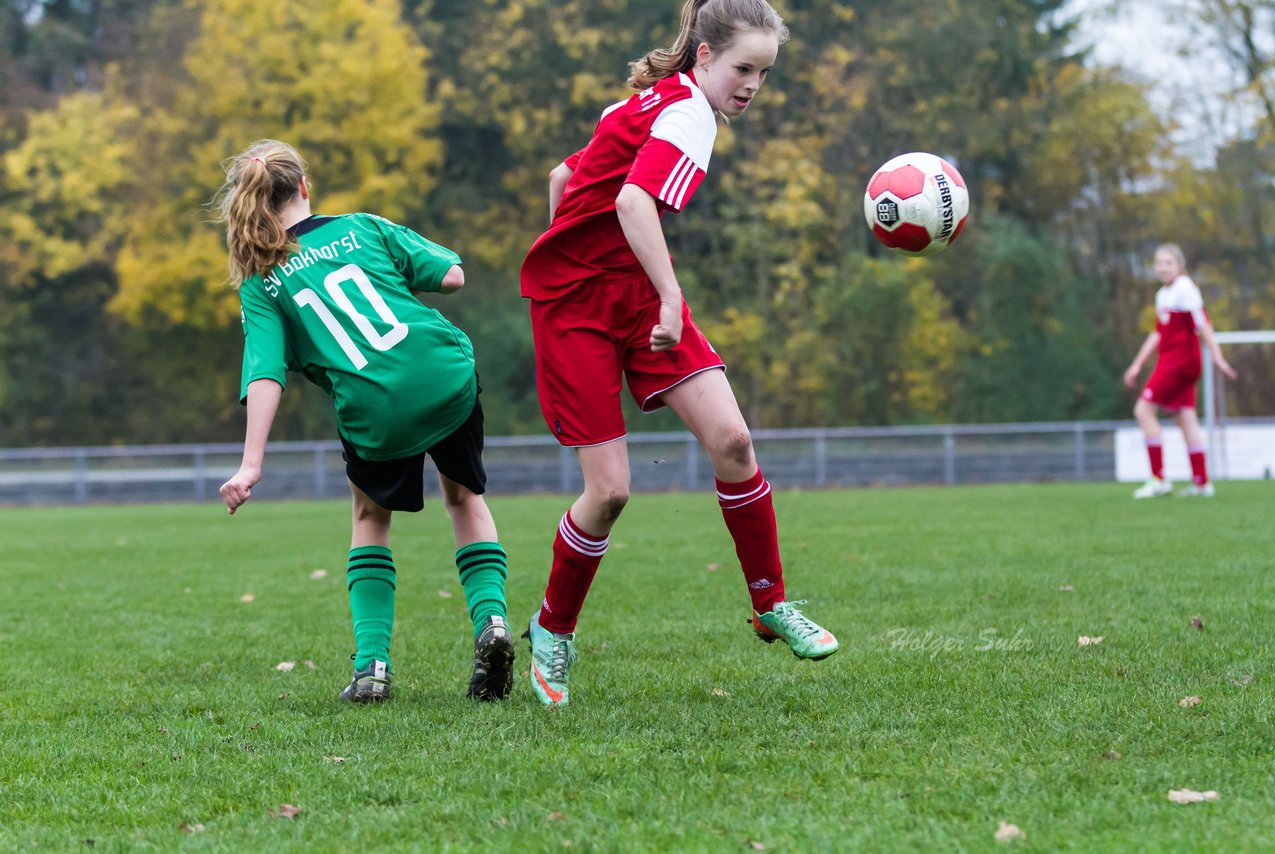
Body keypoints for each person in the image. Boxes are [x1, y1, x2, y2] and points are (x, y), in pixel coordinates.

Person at [518, 0, 838, 707]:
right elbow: (633, 204)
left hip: (630, 289)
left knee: (734, 442)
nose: (752, 84)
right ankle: (551, 630)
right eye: (743, 68)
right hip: (579, 309)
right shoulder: (687, 114)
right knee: (610, 492)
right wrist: (662, 293)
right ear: (703, 57)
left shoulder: (636, 104)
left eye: (764, 72)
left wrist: (588, 250)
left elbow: (563, 178)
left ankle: (770, 603)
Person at [216, 140, 514, 702]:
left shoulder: (262, 282)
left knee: (370, 518)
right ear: (304, 186)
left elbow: (264, 374)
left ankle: (372, 669)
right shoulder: (363, 226)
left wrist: (250, 464)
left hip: (376, 408)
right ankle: (493, 624)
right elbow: (452, 278)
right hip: (443, 376)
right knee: (465, 498)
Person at [1124, 243, 1237, 498]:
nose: (1162, 267)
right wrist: (1138, 363)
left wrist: (1218, 357)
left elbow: (1203, 324)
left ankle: (1158, 478)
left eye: (1168, 262)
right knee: (1184, 416)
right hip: (1178, 361)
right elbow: (1157, 333)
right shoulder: (1163, 294)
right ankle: (1201, 482)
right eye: (1158, 263)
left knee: (1143, 410)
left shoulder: (1185, 288)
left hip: (1180, 361)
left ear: (1179, 265)